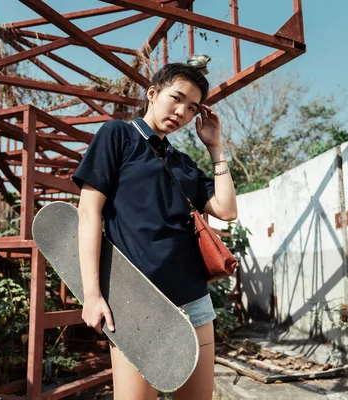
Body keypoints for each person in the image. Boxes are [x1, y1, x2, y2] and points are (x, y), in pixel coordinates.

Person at [71, 54, 237, 400]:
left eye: (192, 108)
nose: (182, 112)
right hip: (135, 300)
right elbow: (88, 213)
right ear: (152, 93)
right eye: (177, 98)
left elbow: (226, 209)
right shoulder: (118, 136)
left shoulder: (184, 163)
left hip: (193, 301)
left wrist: (216, 148)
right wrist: (92, 294)